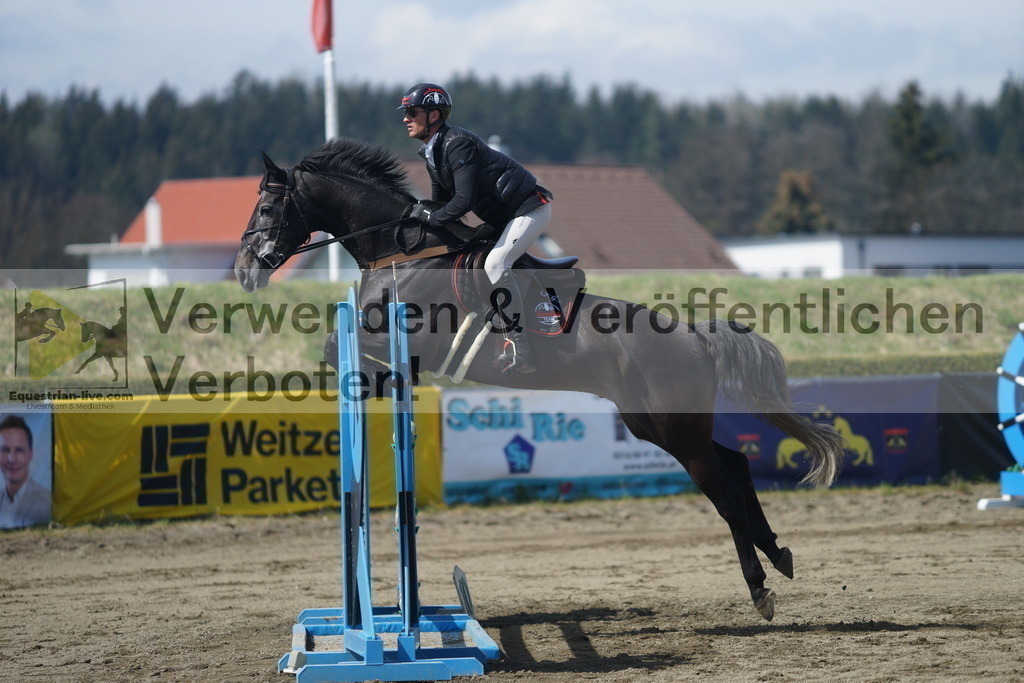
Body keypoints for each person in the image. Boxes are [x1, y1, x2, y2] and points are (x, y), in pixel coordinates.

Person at [399, 83, 553, 374]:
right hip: (503, 219)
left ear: (433, 115)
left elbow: (461, 201)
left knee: (496, 264)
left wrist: (430, 217)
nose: (406, 118)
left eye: (412, 112)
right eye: (406, 112)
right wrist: (413, 216)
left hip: (529, 209)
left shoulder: (457, 143)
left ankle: (521, 346)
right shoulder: (431, 151)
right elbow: (439, 203)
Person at [0, 415, 50, 529]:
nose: (11, 459)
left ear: (30, 455)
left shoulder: (46, 501)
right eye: (5, 450)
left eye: (19, 450)